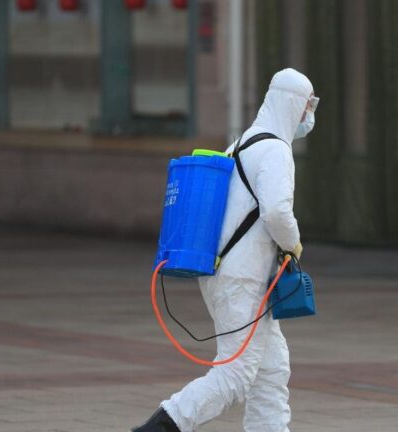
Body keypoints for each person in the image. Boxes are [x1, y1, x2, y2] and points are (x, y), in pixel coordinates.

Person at [131, 68, 318, 431]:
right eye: (307, 106)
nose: (308, 116)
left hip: (227, 274)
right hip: (242, 280)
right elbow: (277, 211)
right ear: (293, 104)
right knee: (235, 375)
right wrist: (293, 243)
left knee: (271, 370)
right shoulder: (276, 151)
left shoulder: (241, 143)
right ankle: (161, 427)